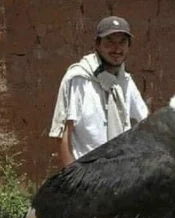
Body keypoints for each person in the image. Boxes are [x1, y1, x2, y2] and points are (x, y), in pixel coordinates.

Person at [49, 16, 149, 167]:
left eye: (122, 42)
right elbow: (63, 133)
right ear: (97, 44)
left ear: (129, 46)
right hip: (88, 175)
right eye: (110, 41)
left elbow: (145, 122)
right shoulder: (78, 79)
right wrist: (72, 177)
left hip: (119, 173)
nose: (117, 49)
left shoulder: (125, 81)